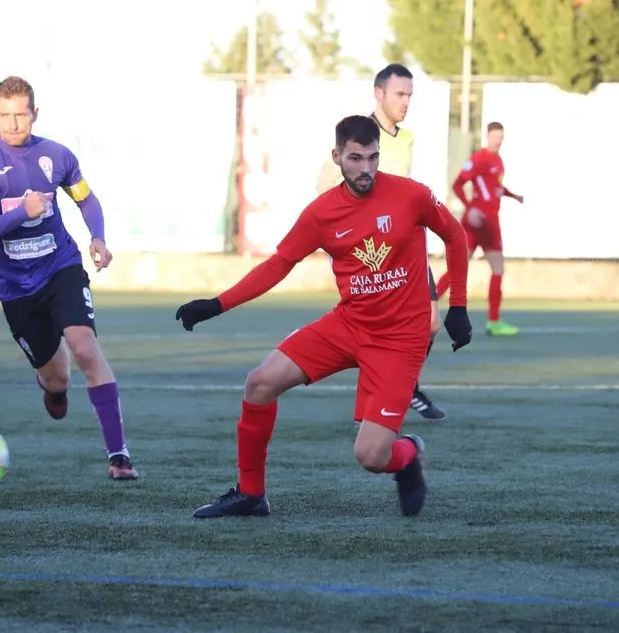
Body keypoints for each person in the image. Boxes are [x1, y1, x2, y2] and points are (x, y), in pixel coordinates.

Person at [176, 115, 472, 519]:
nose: (366, 168)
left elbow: (456, 236)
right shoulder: (321, 213)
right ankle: (251, 494)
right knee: (260, 383)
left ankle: (409, 453)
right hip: (348, 325)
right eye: (355, 158)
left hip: (400, 340)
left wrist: (458, 307)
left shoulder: (411, 196)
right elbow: (280, 263)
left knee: (370, 456)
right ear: (337, 157)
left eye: (372, 158)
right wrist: (218, 303)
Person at [0, 75, 138, 480]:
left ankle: (119, 456)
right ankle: (53, 388)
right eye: (5, 115)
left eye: (21, 115)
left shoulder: (57, 155)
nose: (14, 124)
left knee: (85, 347)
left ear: (35, 113)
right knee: (57, 376)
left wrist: (98, 237)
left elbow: (85, 198)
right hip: (14, 286)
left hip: (61, 267)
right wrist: (23, 211)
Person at [316, 63, 446, 420]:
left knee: (432, 322)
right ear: (379, 94)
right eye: (399, 94)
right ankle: (376, 404)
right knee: (373, 328)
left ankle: (405, 388)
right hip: (369, 255)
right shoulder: (359, 137)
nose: (405, 102)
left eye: (409, 95)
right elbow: (325, 189)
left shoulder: (406, 138)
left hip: (406, 250)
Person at [436, 122, 524, 337]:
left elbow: (496, 187)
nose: (498, 141)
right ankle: (422, 310)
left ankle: (494, 322)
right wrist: (470, 208)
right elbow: (458, 184)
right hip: (475, 222)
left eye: (501, 137)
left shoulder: (498, 160)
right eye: (495, 136)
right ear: (487, 136)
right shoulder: (479, 158)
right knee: (458, 268)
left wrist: (514, 196)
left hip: (491, 223)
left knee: (498, 270)